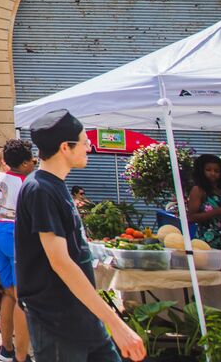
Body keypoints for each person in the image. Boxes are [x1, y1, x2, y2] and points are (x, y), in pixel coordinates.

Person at [16, 109, 145, 362]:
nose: (89, 147)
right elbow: (60, 262)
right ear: (66, 147)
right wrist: (116, 324)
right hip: (57, 321)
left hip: (83, 314)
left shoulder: (56, 185)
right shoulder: (40, 190)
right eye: (85, 142)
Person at [0, 139, 35, 362]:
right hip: (15, 234)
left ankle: (5, 348)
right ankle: (21, 354)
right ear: (24, 163)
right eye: (31, 159)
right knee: (22, 297)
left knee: (8, 292)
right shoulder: (27, 183)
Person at [186, 154, 221, 251]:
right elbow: (191, 217)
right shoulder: (198, 190)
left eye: (216, 171)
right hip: (205, 242)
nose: (212, 173)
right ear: (201, 171)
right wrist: (218, 212)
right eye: (208, 170)